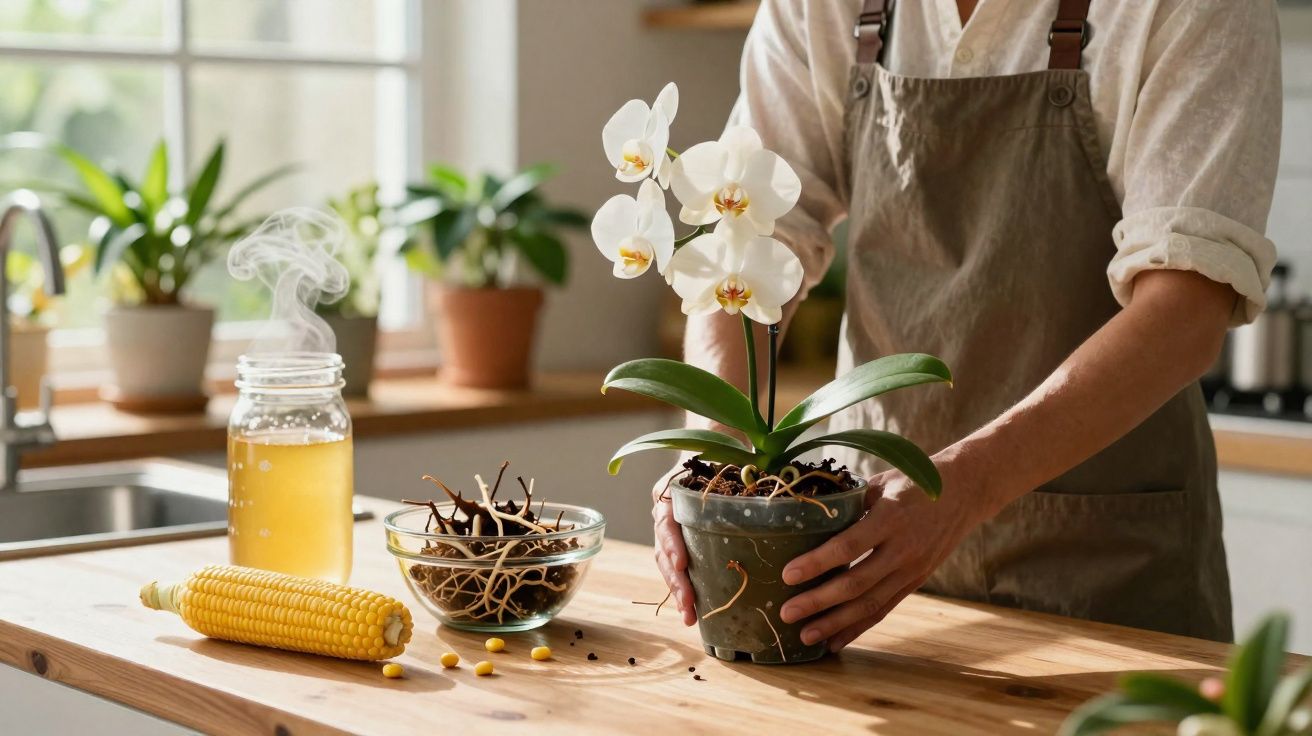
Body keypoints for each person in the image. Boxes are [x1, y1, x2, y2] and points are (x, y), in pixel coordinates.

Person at [652, 0, 1282, 649]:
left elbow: (1184, 310)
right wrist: (712, 468)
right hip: (858, 569)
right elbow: (749, 241)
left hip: (1105, 575)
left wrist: (966, 485)